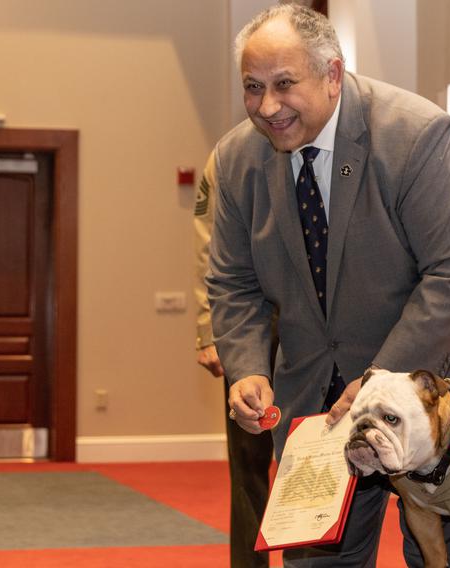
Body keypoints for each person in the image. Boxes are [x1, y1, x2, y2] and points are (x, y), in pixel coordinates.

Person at [206, 4, 450, 567]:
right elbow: (233, 281)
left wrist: (376, 382)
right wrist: (248, 368)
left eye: (285, 85)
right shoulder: (239, 159)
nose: (268, 106)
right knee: (318, 561)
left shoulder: (416, 135)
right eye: (253, 87)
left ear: (332, 74)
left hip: (444, 385)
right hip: (319, 403)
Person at [194, 150, 273, 568]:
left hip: (321, 326)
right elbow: (208, 244)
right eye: (254, 87)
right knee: (248, 461)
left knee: (319, 453)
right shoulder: (228, 157)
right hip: (250, 320)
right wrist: (210, 331)